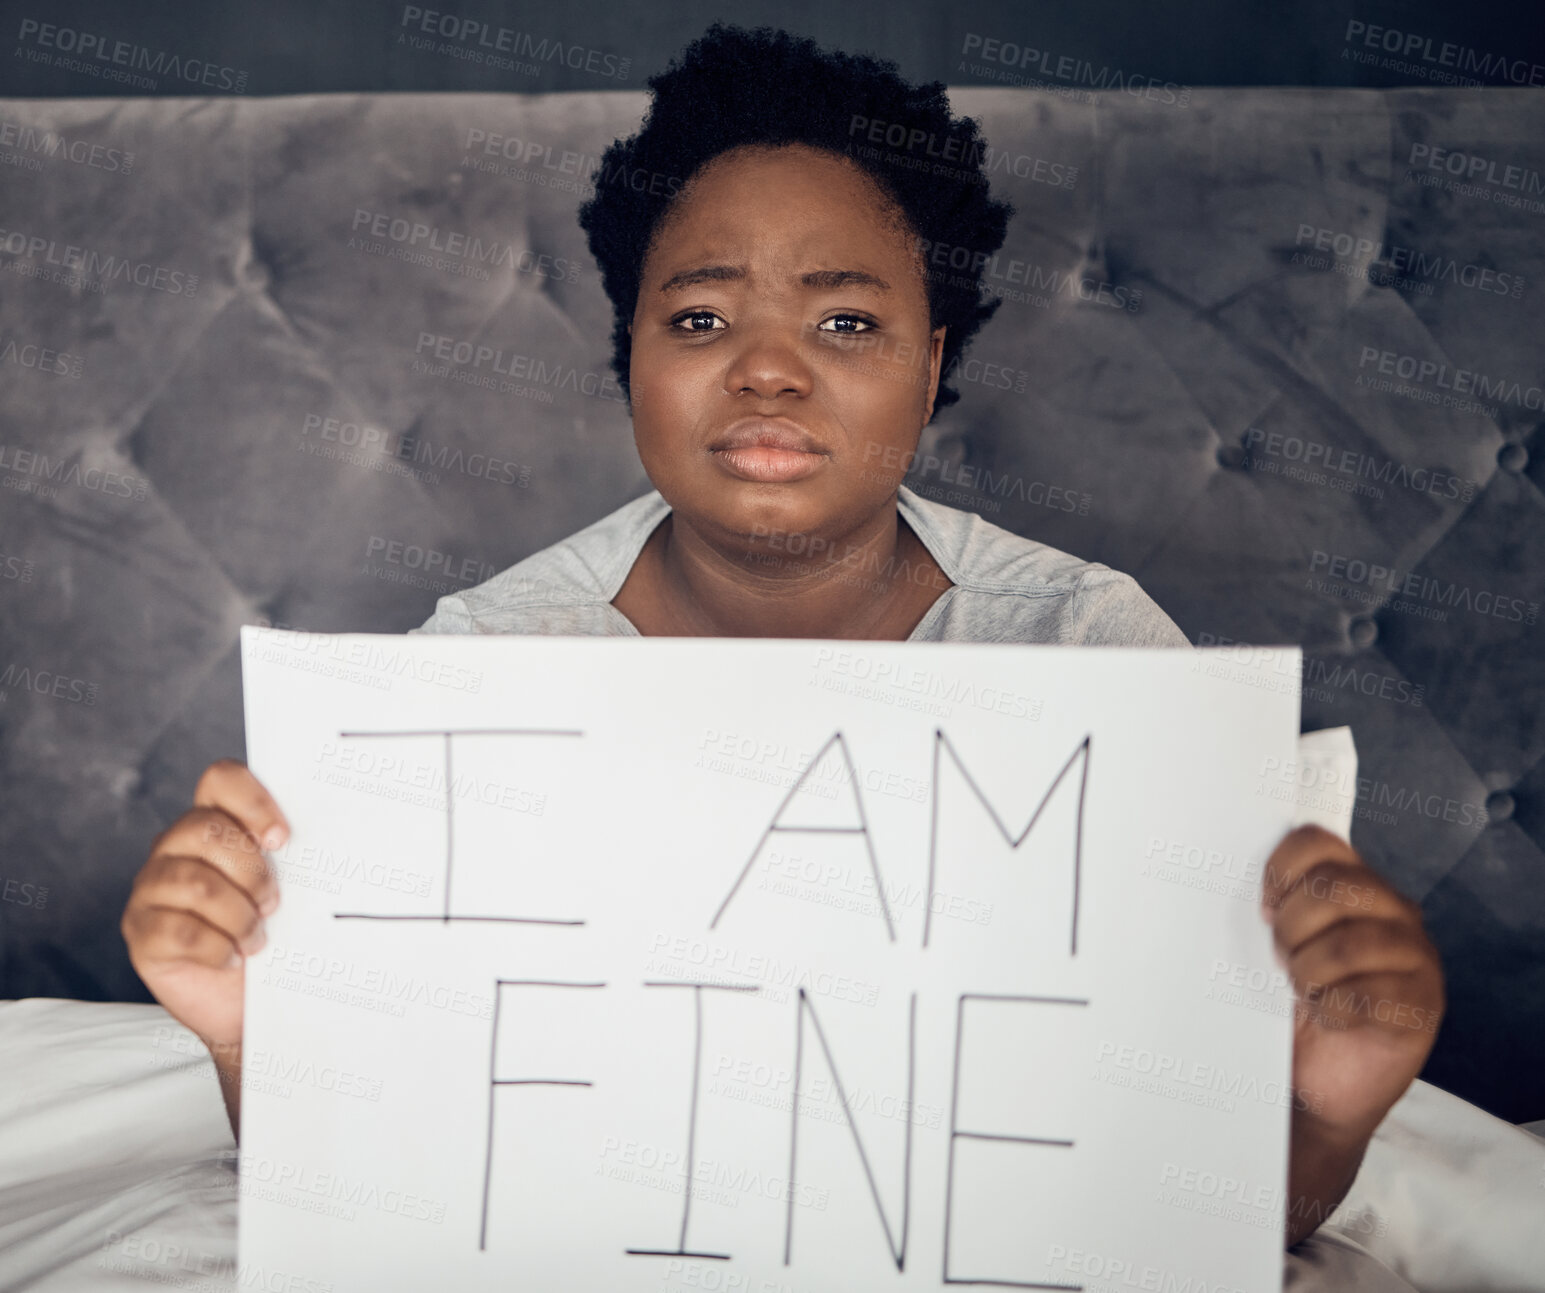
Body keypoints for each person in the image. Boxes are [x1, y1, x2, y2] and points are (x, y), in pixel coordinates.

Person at [120, 21, 1443, 1254]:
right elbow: (396, 1167)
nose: (765, 367)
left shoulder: (1085, 652)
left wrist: (1327, 1109)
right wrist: (249, 1039)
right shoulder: (482, 665)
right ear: (627, 356)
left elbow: (1196, 1203)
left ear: (929, 366)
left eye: (844, 320)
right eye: (699, 319)